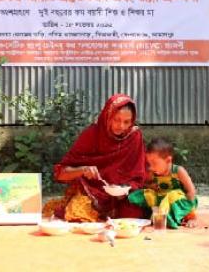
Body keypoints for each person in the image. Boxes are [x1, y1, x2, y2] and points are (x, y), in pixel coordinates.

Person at [43, 94, 147, 222]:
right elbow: (61, 173)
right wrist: (83, 170)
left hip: (122, 195)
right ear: (107, 116)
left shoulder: (134, 137)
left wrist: (126, 189)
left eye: (127, 122)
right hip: (91, 193)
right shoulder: (92, 135)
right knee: (77, 215)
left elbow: (139, 176)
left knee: (133, 216)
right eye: (116, 120)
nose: (121, 126)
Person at [128, 137, 198, 228]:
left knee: (173, 195)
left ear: (168, 160)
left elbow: (191, 191)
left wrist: (189, 212)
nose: (150, 167)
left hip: (176, 201)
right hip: (160, 198)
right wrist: (150, 186)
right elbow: (145, 185)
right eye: (149, 163)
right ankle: (151, 215)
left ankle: (183, 218)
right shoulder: (152, 172)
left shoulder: (178, 171)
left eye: (154, 163)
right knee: (145, 194)